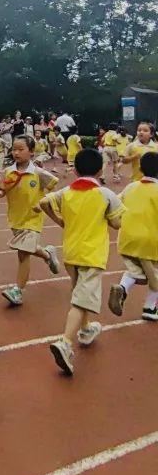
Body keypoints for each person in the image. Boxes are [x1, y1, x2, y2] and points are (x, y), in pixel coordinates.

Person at [40, 149, 123, 375]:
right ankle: (65, 341)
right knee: (81, 298)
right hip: (92, 255)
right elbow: (117, 224)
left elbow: (44, 202)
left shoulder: (66, 191)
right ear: (100, 169)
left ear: (75, 170)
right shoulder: (105, 194)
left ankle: (86, 328)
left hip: (71, 252)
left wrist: (59, 220)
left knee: (79, 292)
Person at [0, 135, 59, 307]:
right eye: (14, 149)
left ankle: (18, 291)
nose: (16, 152)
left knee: (22, 253)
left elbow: (54, 188)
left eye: (20, 149)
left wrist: (42, 203)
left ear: (31, 152)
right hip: (16, 219)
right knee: (27, 249)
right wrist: (0, 193)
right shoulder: (8, 172)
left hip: (33, 219)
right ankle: (47, 254)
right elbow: (2, 187)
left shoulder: (38, 173)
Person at [108, 151, 158, 321]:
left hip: (127, 238)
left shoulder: (131, 187)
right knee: (154, 274)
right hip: (151, 240)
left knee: (136, 270)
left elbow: (114, 202)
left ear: (141, 169)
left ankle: (122, 288)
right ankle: (150, 307)